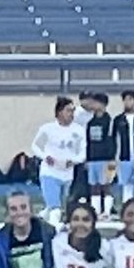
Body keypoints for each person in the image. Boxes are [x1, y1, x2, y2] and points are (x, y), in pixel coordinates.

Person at [32, 95, 87, 226]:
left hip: (68, 175)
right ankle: (52, 233)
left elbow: (83, 152)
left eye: (73, 110)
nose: (71, 114)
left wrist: (74, 161)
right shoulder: (47, 129)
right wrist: (45, 157)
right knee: (55, 208)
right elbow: (35, 146)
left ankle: (39, 220)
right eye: (68, 110)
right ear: (59, 112)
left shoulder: (79, 131)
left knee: (59, 207)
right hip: (49, 173)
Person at [83, 92, 116, 218]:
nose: (93, 105)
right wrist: (87, 158)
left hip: (106, 159)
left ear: (103, 105)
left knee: (106, 186)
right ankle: (96, 210)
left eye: (96, 102)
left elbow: (112, 141)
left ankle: (107, 211)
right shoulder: (90, 122)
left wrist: (112, 158)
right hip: (92, 159)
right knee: (94, 186)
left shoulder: (109, 121)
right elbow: (88, 141)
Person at [112, 90, 134, 208]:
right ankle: (127, 209)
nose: (127, 102)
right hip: (124, 158)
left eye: (130, 99)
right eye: (125, 100)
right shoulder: (118, 120)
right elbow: (114, 139)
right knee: (127, 186)